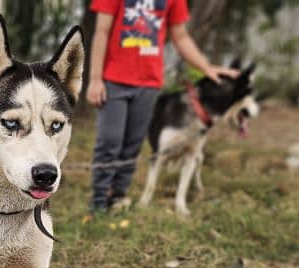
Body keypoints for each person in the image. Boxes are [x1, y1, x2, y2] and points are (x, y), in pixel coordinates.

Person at [86, 0, 238, 212]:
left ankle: (117, 196)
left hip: (149, 84)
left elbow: (181, 36)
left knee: (133, 144)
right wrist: (95, 79)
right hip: (114, 80)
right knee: (110, 141)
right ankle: (99, 200)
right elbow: (101, 32)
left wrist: (206, 67)